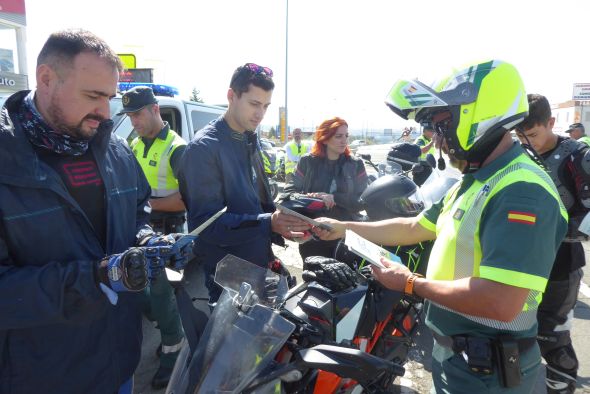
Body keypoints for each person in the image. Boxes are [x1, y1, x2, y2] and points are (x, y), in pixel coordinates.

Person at [314, 60, 568, 393]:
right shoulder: (476, 180)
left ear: (480, 113)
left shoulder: (521, 190)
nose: (436, 138)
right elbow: (413, 227)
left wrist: (410, 284)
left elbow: (501, 301)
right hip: (459, 359)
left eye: (442, 123)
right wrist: (343, 228)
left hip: (490, 374)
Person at [0, 29, 183, 394]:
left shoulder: (115, 151)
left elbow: (137, 214)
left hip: (119, 365)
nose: (105, 111)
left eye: (110, 97)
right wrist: (94, 278)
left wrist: (150, 241)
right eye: (93, 96)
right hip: (43, 376)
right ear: (46, 79)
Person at [178, 63, 309, 304]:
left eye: (266, 106)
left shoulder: (249, 138)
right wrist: (268, 223)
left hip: (257, 262)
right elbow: (206, 225)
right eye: (254, 104)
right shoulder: (203, 149)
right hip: (228, 273)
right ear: (231, 96)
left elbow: (256, 202)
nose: (260, 114)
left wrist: (286, 223)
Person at [514, 94, 589, 394]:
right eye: (521, 135)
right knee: (513, 332)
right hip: (519, 261)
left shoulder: (576, 155)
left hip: (562, 262)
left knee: (552, 338)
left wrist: (550, 230)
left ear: (551, 123)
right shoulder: (517, 154)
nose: (528, 141)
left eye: (532, 134)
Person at [116, 86, 186, 389]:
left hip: (166, 231)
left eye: (137, 114)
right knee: (138, 289)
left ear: (155, 110)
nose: (133, 121)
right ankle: (167, 326)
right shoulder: (134, 143)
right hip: (138, 228)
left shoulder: (176, 147)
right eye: (129, 115)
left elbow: (186, 198)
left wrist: (144, 205)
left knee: (160, 292)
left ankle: (173, 349)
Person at [284, 117, 368, 260]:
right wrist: (313, 197)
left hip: (345, 235)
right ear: (324, 138)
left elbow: (363, 201)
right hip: (313, 236)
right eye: (338, 136)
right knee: (314, 278)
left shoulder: (356, 164)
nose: (344, 140)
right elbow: (288, 195)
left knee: (345, 279)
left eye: (346, 136)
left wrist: (335, 198)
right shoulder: (307, 162)